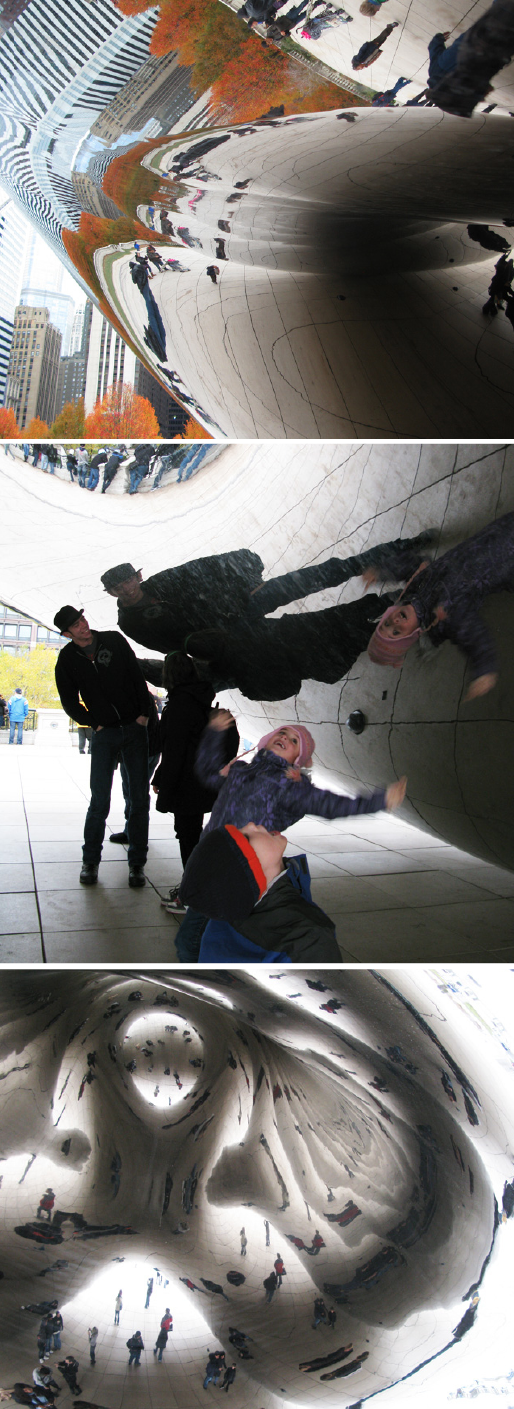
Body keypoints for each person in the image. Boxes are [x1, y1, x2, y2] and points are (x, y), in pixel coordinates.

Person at [100, 533, 432, 698]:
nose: (127, 589)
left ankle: (400, 547)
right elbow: (172, 648)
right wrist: (208, 643)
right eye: (118, 588)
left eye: (128, 580)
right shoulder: (130, 623)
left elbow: (207, 567)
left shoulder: (163, 581)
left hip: (245, 603)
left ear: (138, 576)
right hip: (232, 636)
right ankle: (388, 601)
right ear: (112, 593)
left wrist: (248, 572)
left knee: (325, 572)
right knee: (314, 629)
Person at [53, 605, 152, 888]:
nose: (83, 626)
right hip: (104, 734)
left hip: (134, 729)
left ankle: (137, 864)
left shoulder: (113, 640)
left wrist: (143, 714)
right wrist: (93, 723)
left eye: (82, 619)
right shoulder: (67, 659)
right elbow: (69, 701)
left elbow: (136, 676)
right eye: (76, 625)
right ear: (67, 633)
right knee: (99, 801)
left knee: (139, 798)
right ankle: (90, 862)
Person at [366, 512, 514, 699]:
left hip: (489, 537)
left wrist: (383, 571)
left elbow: (414, 563)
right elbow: (473, 634)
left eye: (387, 624)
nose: (395, 622)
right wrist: (485, 668)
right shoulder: (445, 615)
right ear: (412, 634)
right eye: (397, 632)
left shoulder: (414, 588)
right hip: (505, 564)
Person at [152, 653, 239, 912]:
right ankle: (199, 888)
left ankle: (192, 895)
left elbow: (175, 750)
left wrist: (162, 781)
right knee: (196, 835)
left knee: (188, 837)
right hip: (205, 782)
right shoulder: (203, 700)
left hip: (186, 784)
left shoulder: (180, 705)